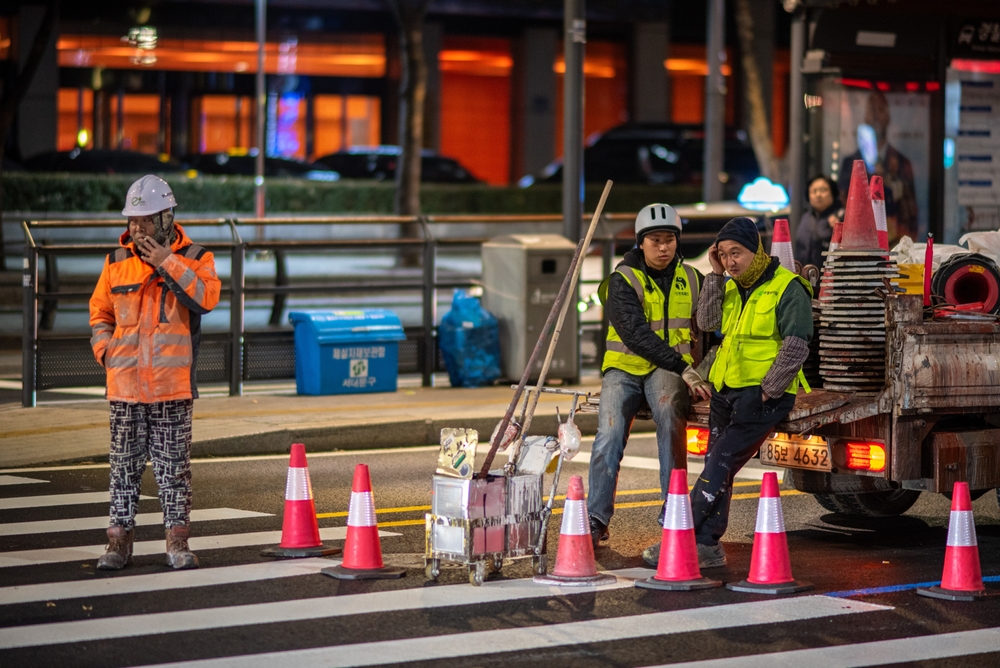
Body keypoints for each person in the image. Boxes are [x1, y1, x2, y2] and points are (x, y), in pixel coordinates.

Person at [643, 216, 812, 568]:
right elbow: (706, 322)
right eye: (724, 254)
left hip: (764, 394)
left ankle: (679, 533)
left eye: (737, 253)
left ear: (757, 250)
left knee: (720, 464)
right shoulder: (731, 284)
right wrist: (716, 276)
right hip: (726, 388)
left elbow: (796, 345)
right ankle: (706, 543)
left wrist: (768, 391)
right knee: (715, 464)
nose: (732, 260)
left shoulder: (787, 287)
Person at [90, 175, 221, 571]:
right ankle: (118, 544)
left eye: (146, 220)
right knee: (123, 470)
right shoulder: (115, 262)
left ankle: (177, 543)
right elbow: (101, 313)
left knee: (173, 472)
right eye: (133, 220)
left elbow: (206, 299)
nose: (137, 228)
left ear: (167, 218)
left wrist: (166, 261)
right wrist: (105, 352)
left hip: (171, 389)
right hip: (125, 388)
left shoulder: (197, 257)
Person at [588, 203, 713, 548]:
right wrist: (685, 369)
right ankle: (596, 517)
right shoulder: (622, 280)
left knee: (672, 420)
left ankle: (673, 509)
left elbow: (717, 325)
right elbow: (635, 334)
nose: (663, 247)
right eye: (655, 240)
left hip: (667, 370)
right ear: (640, 243)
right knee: (609, 434)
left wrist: (716, 276)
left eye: (669, 239)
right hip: (626, 368)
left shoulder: (694, 278)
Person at [838, 89, 918, 242]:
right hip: (857, 241)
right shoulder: (850, 164)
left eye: (880, 110)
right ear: (865, 118)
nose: (875, 116)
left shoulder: (902, 163)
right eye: (870, 110)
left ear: (888, 117)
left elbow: (910, 212)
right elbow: (843, 206)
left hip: (894, 242)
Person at [794, 175, 844, 269]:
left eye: (823, 190)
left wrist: (839, 229)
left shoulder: (842, 216)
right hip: (804, 275)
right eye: (814, 191)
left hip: (828, 276)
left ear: (832, 193)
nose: (818, 195)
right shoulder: (805, 217)